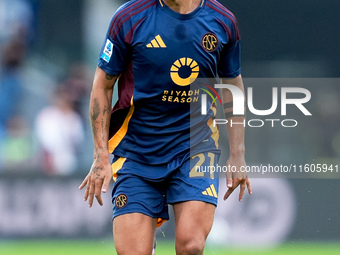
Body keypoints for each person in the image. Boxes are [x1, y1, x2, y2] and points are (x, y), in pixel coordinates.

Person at [79, 0, 252, 254]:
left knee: (191, 246)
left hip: (196, 147)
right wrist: (100, 153)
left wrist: (238, 154)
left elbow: (233, 88)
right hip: (137, 152)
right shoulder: (128, 18)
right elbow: (102, 86)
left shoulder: (222, 21)